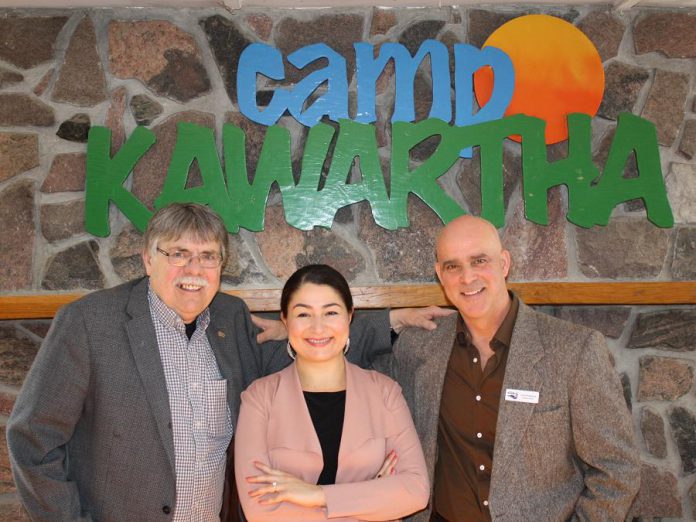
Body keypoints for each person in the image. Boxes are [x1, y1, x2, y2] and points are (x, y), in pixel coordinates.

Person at [6, 203, 443, 522]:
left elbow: (307, 341)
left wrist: (391, 319)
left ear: (221, 265)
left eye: (208, 256)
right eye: (177, 253)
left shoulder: (229, 318)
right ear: (147, 259)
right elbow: (32, 438)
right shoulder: (89, 322)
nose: (193, 269)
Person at [386, 215, 641, 521]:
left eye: (479, 260)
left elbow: (617, 470)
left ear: (504, 264)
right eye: (453, 266)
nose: (467, 278)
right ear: (440, 274)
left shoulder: (574, 350)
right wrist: (390, 319)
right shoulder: (417, 347)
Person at [235, 264, 429, 521]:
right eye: (303, 314)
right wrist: (375, 504)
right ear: (284, 319)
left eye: (331, 313)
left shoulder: (385, 392)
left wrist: (316, 495)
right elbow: (260, 510)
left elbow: (415, 490)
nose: (318, 328)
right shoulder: (259, 398)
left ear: (350, 316)